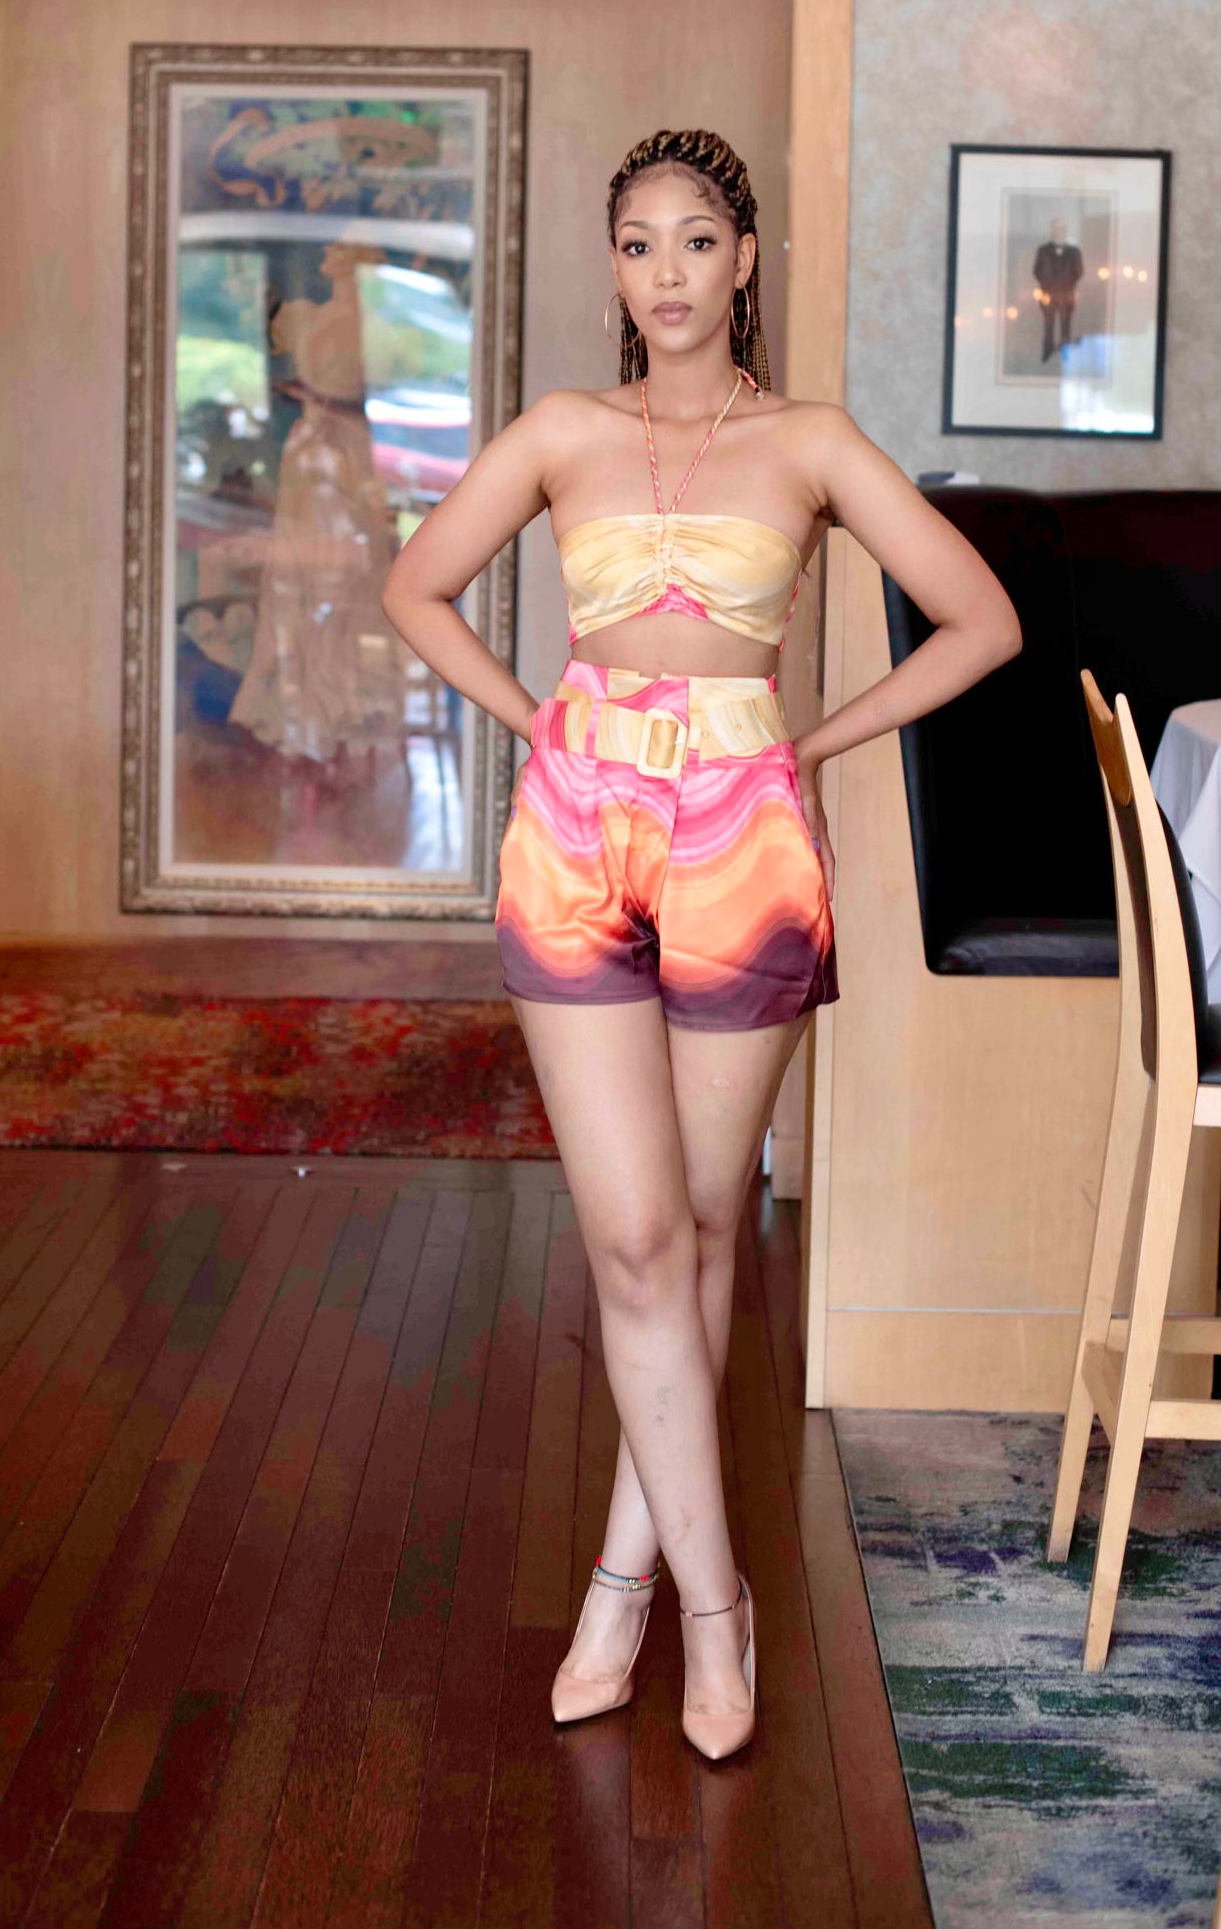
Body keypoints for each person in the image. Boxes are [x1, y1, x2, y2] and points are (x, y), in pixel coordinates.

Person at [382, 127, 1021, 1760]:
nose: (665, 270)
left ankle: (626, 1583)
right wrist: (541, 722)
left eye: (694, 239)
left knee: (703, 1228)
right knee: (633, 1243)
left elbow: (984, 620)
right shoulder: (561, 431)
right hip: (575, 834)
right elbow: (416, 587)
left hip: (744, 837)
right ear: (614, 269)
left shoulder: (809, 440)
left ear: (743, 259)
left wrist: (809, 743)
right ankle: (712, 1602)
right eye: (637, 242)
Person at [1032, 216, 1084, 363]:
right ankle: (1047, 351)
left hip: (1067, 294)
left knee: (1066, 323)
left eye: (1061, 228)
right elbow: (1037, 271)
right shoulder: (1043, 251)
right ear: (1052, 230)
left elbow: (1079, 271)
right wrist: (1047, 284)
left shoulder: (1074, 252)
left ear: (1065, 230)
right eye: (1056, 228)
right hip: (1048, 294)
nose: (1059, 230)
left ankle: (1065, 353)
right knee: (1048, 324)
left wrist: (1068, 284)